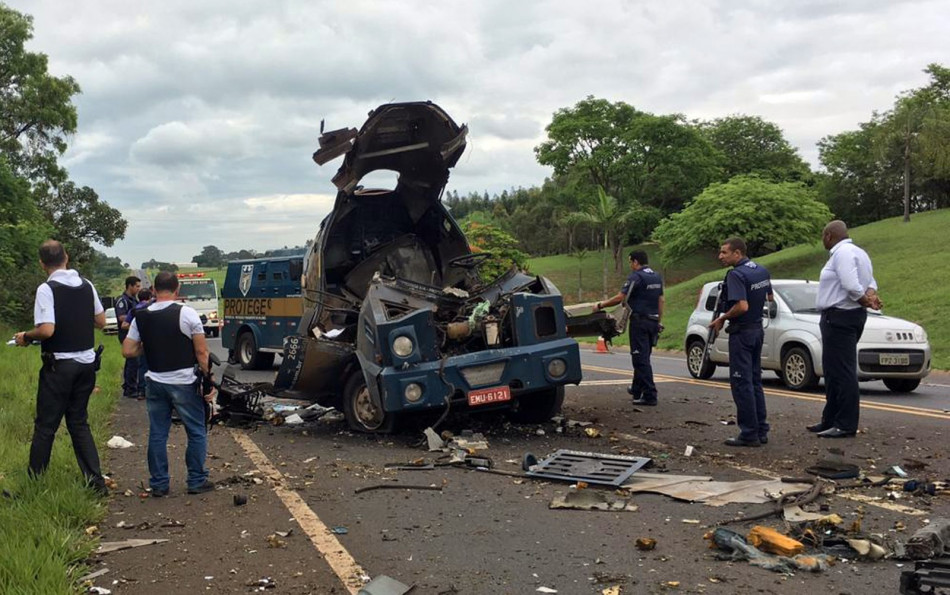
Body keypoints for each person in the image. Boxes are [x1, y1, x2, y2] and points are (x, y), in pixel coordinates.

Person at [13, 240, 108, 496]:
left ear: (42, 263)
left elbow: (47, 330)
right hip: (87, 364)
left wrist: (27, 336)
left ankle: (33, 486)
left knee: (46, 426)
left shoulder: (47, 289)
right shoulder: (87, 285)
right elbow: (100, 321)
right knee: (79, 422)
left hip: (60, 366)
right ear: (67, 256)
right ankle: (96, 483)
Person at [122, 272, 215, 496]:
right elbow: (201, 352)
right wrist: (209, 379)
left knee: (157, 433)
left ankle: (159, 483)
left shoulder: (140, 315)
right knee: (195, 431)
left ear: (153, 289)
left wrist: (150, 344)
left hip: (154, 381)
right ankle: (196, 480)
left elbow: (128, 350)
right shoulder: (187, 313)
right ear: (177, 289)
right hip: (184, 381)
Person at [809, 220, 881, 439]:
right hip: (850, 316)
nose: (823, 240)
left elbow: (851, 285)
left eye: (823, 236)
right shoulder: (860, 253)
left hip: (840, 316)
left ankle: (846, 424)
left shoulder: (842, 254)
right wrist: (869, 295)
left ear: (830, 236)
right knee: (831, 371)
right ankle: (830, 419)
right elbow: (872, 282)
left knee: (842, 371)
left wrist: (863, 301)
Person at [708, 238, 773, 447]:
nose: (720, 257)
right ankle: (761, 429)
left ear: (737, 253)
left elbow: (742, 306)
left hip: (742, 333)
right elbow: (769, 298)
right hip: (757, 330)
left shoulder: (736, 274)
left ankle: (748, 433)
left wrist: (722, 318)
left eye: (724, 253)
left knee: (741, 383)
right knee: (754, 381)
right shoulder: (761, 270)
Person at [594, 250, 664, 406]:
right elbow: (661, 300)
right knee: (644, 356)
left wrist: (600, 305)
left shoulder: (637, 277)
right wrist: (659, 320)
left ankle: (650, 394)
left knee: (640, 359)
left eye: (630, 262)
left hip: (640, 322)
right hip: (653, 321)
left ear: (635, 262)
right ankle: (636, 388)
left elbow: (621, 297)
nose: (630, 265)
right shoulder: (656, 277)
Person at [115, 276, 141, 398]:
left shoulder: (134, 300)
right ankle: (130, 388)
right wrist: (135, 319)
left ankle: (128, 385)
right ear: (130, 286)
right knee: (133, 361)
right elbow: (121, 317)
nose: (138, 289)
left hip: (133, 334)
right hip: (126, 334)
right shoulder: (123, 300)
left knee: (132, 362)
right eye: (137, 286)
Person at [126, 288, 154, 398]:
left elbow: (124, 324)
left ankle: (141, 391)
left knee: (142, 366)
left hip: (140, 341)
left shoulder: (134, 310)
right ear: (149, 297)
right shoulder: (152, 307)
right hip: (154, 340)